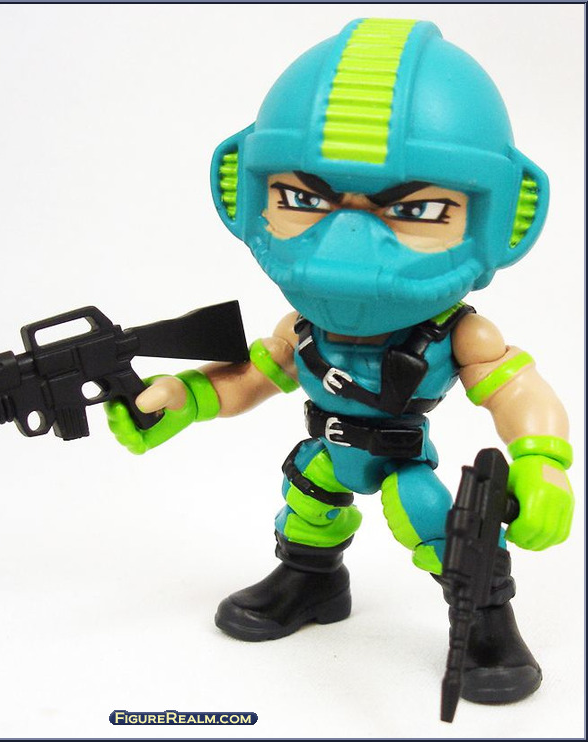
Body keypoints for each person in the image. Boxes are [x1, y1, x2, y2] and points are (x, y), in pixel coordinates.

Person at [106, 18, 573, 706]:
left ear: (505, 218)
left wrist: (542, 462)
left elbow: (518, 389)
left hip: (399, 457)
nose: (347, 250)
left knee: (438, 529)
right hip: (326, 449)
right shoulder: (303, 329)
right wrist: (182, 398)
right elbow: (251, 378)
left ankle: (487, 623)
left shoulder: (459, 334)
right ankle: (311, 581)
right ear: (242, 191)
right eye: (303, 199)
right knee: (306, 504)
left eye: (417, 209)